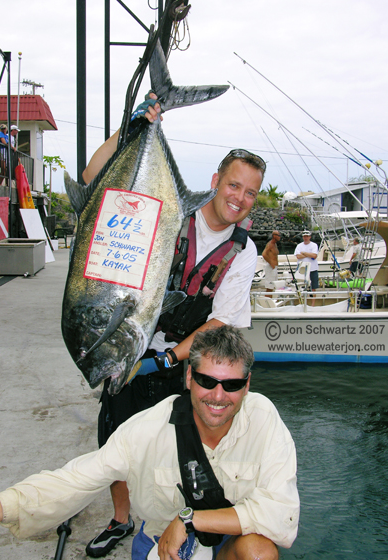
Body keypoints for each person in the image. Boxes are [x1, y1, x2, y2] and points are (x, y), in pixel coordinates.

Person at [82, 94, 266, 557]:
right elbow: (91, 178)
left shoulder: (244, 251)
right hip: (131, 341)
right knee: (116, 437)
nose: (239, 199)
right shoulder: (167, 209)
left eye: (250, 192)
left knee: (180, 447)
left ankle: (173, 522)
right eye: (233, 185)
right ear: (215, 182)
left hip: (185, 358)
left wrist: (168, 357)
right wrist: (132, 130)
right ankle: (122, 520)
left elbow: (221, 320)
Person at [0, 325, 300, 560]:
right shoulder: (146, 429)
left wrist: (190, 519)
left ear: (247, 385)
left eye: (231, 384)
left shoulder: (263, 419)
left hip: (225, 542)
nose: (218, 396)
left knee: (259, 552)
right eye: (206, 381)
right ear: (189, 377)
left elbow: (281, 516)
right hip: (161, 543)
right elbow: (74, 481)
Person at [294, 230, 319, 304]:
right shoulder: (299, 246)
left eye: (307, 236)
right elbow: (298, 256)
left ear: (310, 237)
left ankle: (312, 304)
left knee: (313, 288)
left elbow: (314, 256)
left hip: (313, 269)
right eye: (304, 236)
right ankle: (301, 303)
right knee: (300, 287)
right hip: (302, 270)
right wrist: (309, 254)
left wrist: (304, 253)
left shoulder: (314, 245)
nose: (306, 238)